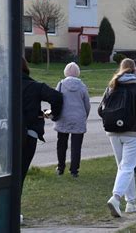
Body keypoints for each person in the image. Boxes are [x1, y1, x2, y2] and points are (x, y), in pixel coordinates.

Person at [98, 58, 136, 217]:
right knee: (128, 167)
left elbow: (101, 110)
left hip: (113, 132)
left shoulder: (112, 86)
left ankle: (131, 202)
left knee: (123, 168)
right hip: (133, 133)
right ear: (135, 69)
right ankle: (116, 198)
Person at [21, 57, 63, 188]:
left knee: (7, 176)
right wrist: (51, 114)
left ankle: (8, 207)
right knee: (20, 175)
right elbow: (57, 97)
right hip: (28, 134)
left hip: (2, 134)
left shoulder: (1, 85)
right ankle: (14, 206)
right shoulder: (35, 87)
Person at [53, 62, 91, 178]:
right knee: (76, 146)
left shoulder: (60, 85)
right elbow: (87, 104)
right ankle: (74, 170)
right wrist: (84, 116)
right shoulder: (82, 86)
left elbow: (55, 100)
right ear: (78, 73)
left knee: (61, 144)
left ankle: (60, 167)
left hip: (63, 118)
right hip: (78, 118)